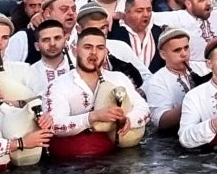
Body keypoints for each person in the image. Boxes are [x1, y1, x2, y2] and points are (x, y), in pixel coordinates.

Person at [43, 27, 148, 159]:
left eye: (100, 48)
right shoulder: (58, 85)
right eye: (87, 47)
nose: (94, 53)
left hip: (118, 156)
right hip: (73, 163)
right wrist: (92, 117)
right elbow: (55, 125)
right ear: (75, 51)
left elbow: (144, 108)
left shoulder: (118, 78)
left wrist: (127, 120)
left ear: (106, 51)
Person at [141, 28, 204, 131]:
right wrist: (193, 102)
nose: (184, 54)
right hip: (175, 137)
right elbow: (161, 121)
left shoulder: (204, 68)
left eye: (186, 48)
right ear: (163, 55)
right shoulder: (157, 81)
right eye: (177, 50)